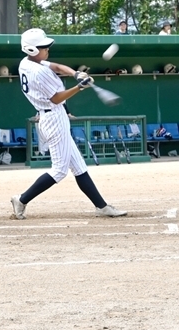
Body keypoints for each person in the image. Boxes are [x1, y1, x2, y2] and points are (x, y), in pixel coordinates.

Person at [10, 28, 127, 219]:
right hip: (53, 117)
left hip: (54, 116)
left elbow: (55, 66)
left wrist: (75, 74)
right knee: (59, 170)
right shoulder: (38, 72)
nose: (47, 49)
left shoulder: (27, 62)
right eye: (44, 47)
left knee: (79, 166)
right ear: (32, 49)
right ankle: (21, 199)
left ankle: (101, 206)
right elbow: (56, 99)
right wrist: (79, 88)